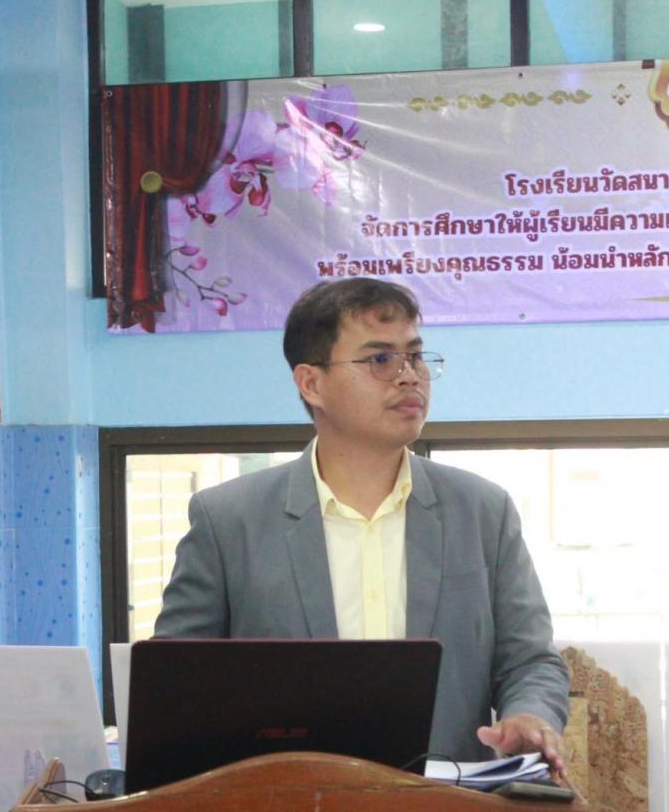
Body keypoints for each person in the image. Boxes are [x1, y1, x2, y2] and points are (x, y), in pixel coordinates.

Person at [154, 278, 569, 776]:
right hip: (285, 808)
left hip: (448, 811)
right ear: (312, 383)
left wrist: (530, 715)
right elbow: (176, 685)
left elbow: (530, 661)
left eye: (415, 357)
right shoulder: (228, 520)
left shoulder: (482, 510)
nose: (409, 377)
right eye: (380, 359)